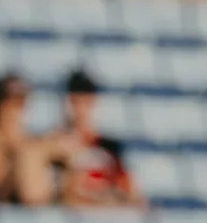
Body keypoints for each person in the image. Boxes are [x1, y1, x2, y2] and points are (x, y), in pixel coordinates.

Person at [50, 68, 143, 208]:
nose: (79, 110)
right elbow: (60, 197)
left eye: (85, 102)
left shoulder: (109, 147)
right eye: (74, 102)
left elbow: (133, 196)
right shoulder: (53, 148)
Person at [0, 73, 54, 206]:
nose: (14, 111)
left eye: (20, 104)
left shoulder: (30, 139)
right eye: (9, 103)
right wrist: (25, 155)